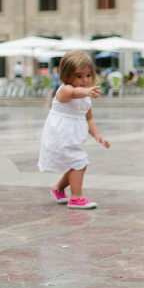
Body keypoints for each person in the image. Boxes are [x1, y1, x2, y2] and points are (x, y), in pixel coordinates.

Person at [37, 50, 110, 210]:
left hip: (73, 136)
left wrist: (97, 134)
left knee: (75, 163)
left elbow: (88, 118)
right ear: (67, 75)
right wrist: (86, 91)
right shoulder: (65, 90)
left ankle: (58, 188)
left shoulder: (86, 96)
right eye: (79, 76)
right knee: (79, 162)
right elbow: (74, 92)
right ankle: (76, 198)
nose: (85, 80)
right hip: (60, 135)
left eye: (88, 75)